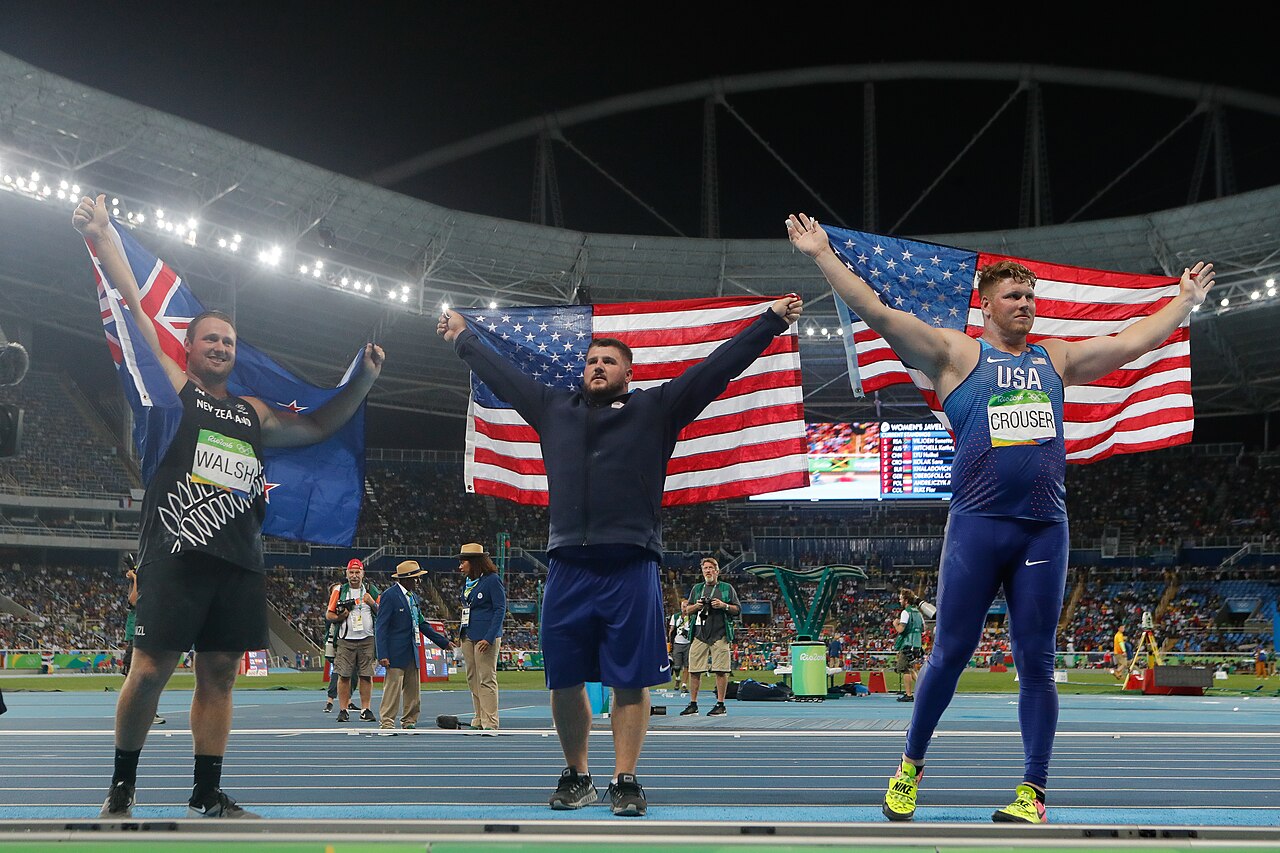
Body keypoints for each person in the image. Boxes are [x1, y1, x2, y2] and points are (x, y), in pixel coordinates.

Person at [787, 211, 1214, 824]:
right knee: (949, 654)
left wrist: (1184, 304)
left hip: (1044, 528)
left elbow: (1128, 344)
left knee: (1036, 662)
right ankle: (910, 765)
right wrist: (823, 255)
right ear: (986, 305)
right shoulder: (954, 353)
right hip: (977, 527)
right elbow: (879, 313)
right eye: (1014, 295)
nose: (1026, 304)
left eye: (1031, 296)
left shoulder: (1056, 358)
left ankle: (1032, 792)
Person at [76, 194, 386, 819]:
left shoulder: (253, 413)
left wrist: (363, 382)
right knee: (149, 672)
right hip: (176, 550)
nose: (220, 347)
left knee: (219, 675)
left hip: (239, 558)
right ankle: (121, 787)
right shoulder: (175, 388)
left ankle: (206, 793)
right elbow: (137, 307)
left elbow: (321, 425)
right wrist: (106, 236)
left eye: (229, 341)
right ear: (188, 348)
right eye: (210, 339)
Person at [438, 293, 802, 817]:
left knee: (629, 680)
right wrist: (463, 338)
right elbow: (503, 375)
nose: (597, 367)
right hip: (567, 564)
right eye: (591, 361)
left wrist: (768, 323)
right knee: (563, 678)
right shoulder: (551, 409)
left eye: (609, 361)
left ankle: (625, 779)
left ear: (628, 374)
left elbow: (716, 368)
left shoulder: (655, 409)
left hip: (631, 564)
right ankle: (577, 773)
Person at [375, 560, 455, 730]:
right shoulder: (389, 596)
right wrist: (382, 653)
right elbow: (381, 627)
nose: (418, 582)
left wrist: (443, 642)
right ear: (406, 579)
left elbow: (421, 624)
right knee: (393, 689)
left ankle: (409, 720)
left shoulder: (414, 598)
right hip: (395, 651)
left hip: (412, 649)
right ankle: (387, 721)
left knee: (413, 690)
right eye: (416, 578)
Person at [680, 557, 741, 717]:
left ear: (717, 571)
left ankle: (721, 704)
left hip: (720, 634)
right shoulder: (697, 589)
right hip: (699, 635)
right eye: (705, 568)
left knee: (721, 670)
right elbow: (687, 610)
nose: (707, 571)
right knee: (694, 670)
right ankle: (693, 704)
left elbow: (737, 609)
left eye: (710, 568)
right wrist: (697, 606)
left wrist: (723, 605)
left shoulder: (726, 588)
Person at [455, 543, 506, 731]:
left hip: (485, 636)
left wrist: (490, 637)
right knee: (472, 677)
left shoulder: (492, 580)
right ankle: (479, 715)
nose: (460, 566)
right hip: (468, 634)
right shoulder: (468, 583)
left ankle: (491, 720)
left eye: (463, 562)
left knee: (486, 677)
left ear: (475, 562)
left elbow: (500, 608)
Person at [326, 559, 380, 723]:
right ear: (347, 574)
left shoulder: (371, 590)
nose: (354, 576)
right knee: (344, 676)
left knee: (366, 675)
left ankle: (366, 709)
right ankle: (343, 710)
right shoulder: (339, 590)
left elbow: (382, 611)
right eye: (351, 572)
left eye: (357, 572)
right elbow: (329, 615)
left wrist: (372, 603)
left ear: (363, 573)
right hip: (345, 639)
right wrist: (340, 616)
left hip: (367, 639)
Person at [120, 555, 165, 726]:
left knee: (145, 676)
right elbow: (133, 600)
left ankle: (143, 713)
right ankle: (137, 713)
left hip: (143, 632)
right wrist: (136, 578)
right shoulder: (136, 586)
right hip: (137, 635)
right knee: (136, 676)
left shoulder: (144, 585)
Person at [893, 589, 925, 703]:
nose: (899, 600)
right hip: (917, 644)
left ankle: (909, 694)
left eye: (901, 598)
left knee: (904, 669)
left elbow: (901, 630)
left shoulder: (906, 612)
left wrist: (895, 624)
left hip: (907, 644)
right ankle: (924, 689)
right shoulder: (918, 612)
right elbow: (923, 628)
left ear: (906, 600)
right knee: (911, 668)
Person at [321, 578, 342, 713]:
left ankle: (348, 701)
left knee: (351, 673)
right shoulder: (330, 611)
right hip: (336, 643)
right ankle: (330, 700)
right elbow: (330, 624)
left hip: (349, 640)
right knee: (337, 671)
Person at [668, 606, 693, 694]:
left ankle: (684, 685)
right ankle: (678, 678)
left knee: (687, 665)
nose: (685, 608)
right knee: (676, 666)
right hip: (677, 643)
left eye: (686, 606)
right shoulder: (675, 617)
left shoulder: (692, 617)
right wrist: (669, 642)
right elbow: (671, 629)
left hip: (688, 643)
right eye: (683, 606)